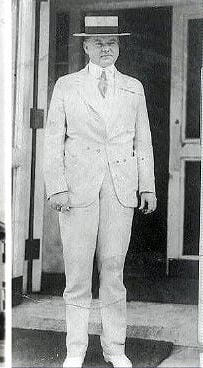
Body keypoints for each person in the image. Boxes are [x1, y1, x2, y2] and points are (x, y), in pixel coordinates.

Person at [42, 15, 157, 368]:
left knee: (113, 270)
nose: (106, 49)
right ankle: (75, 350)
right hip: (77, 190)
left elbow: (143, 141)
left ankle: (115, 349)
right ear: (85, 47)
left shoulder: (133, 87)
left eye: (112, 43)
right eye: (98, 43)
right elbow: (52, 141)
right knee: (77, 274)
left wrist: (147, 187)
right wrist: (57, 188)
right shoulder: (66, 85)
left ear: (119, 46)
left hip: (120, 188)